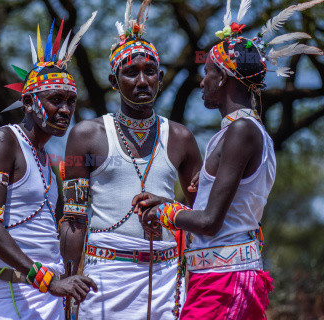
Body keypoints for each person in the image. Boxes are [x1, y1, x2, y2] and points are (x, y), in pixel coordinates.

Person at [134, 1, 324, 319]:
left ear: (223, 78)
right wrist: (170, 205)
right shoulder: (235, 132)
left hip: (228, 279)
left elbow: (210, 222)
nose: (202, 82)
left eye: (207, 73)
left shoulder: (243, 131)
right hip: (216, 277)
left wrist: (166, 211)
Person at [0, 14, 98, 320]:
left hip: (46, 295)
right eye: (56, 99)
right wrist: (48, 281)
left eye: (71, 101)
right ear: (28, 103)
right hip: (8, 294)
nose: (66, 110)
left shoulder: (47, 162)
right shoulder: (2, 142)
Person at [59, 1, 202, 319]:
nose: (141, 81)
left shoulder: (180, 138)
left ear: (160, 77)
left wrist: (197, 273)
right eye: (130, 72)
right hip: (104, 279)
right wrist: (68, 278)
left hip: (164, 280)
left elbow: (201, 215)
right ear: (114, 82)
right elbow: (73, 218)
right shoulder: (87, 135)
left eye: (149, 71)